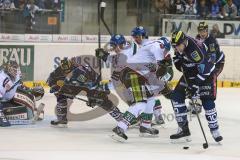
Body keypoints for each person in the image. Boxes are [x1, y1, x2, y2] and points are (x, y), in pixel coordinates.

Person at [170, 30, 223, 143]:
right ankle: (183, 129)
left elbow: (206, 70)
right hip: (190, 73)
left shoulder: (195, 51)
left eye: (178, 45)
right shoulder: (181, 45)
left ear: (184, 41)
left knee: (207, 101)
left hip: (206, 75)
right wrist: (177, 61)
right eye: (174, 46)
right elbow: (182, 63)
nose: (176, 48)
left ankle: (215, 130)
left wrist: (193, 87)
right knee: (176, 97)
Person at [48, 58, 123, 127]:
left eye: (69, 72)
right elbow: (50, 80)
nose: (66, 73)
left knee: (100, 99)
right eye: (65, 72)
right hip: (73, 86)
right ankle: (62, 119)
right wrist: (55, 86)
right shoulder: (58, 71)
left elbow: (94, 84)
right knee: (61, 96)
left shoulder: (83, 70)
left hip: (90, 84)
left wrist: (93, 98)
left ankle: (121, 118)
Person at [131, 26, 173, 125]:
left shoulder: (156, 48)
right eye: (134, 37)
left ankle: (147, 118)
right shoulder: (147, 46)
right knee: (150, 96)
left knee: (147, 97)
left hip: (155, 76)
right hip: (149, 75)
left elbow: (167, 71)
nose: (135, 39)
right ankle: (154, 117)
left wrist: (162, 80)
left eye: (137, 36)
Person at [0, 61, 44, 127]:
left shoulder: (16, 74)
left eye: (16, 70)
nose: (16, 72)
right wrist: (1, 116)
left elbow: (18, 84)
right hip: (3, 99)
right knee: (22, 99)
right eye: (14, 70)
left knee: (28, 96)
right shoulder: (3, 78)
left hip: (8, 97)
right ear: (8, 69)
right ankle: (29, 112)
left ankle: (32, 110)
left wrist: (29, 90)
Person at [194, 21, 225, 114]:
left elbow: (213, 59)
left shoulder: (211, 41)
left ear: (207, 31)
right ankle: (197, 103)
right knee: (199, 79)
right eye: (200, 31)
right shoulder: (197, 38)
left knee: (210, 79)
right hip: (206, 63)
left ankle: (209, 100)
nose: (202, 33)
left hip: (217, 64)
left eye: (203, 31)